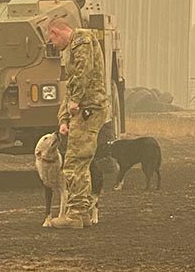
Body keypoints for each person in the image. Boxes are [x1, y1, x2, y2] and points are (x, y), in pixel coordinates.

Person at [46, 17, 110, 229]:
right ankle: (81, 213)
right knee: (80, 162)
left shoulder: (82, 39)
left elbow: (83, 72)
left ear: (56, 31)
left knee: (74, 162)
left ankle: (75, 214)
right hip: (82, 109)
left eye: (51, 39)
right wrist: (63, 118)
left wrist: (75, 101)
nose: (52, 44)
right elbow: (71, 85)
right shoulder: (71, 49)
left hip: (89, 109)